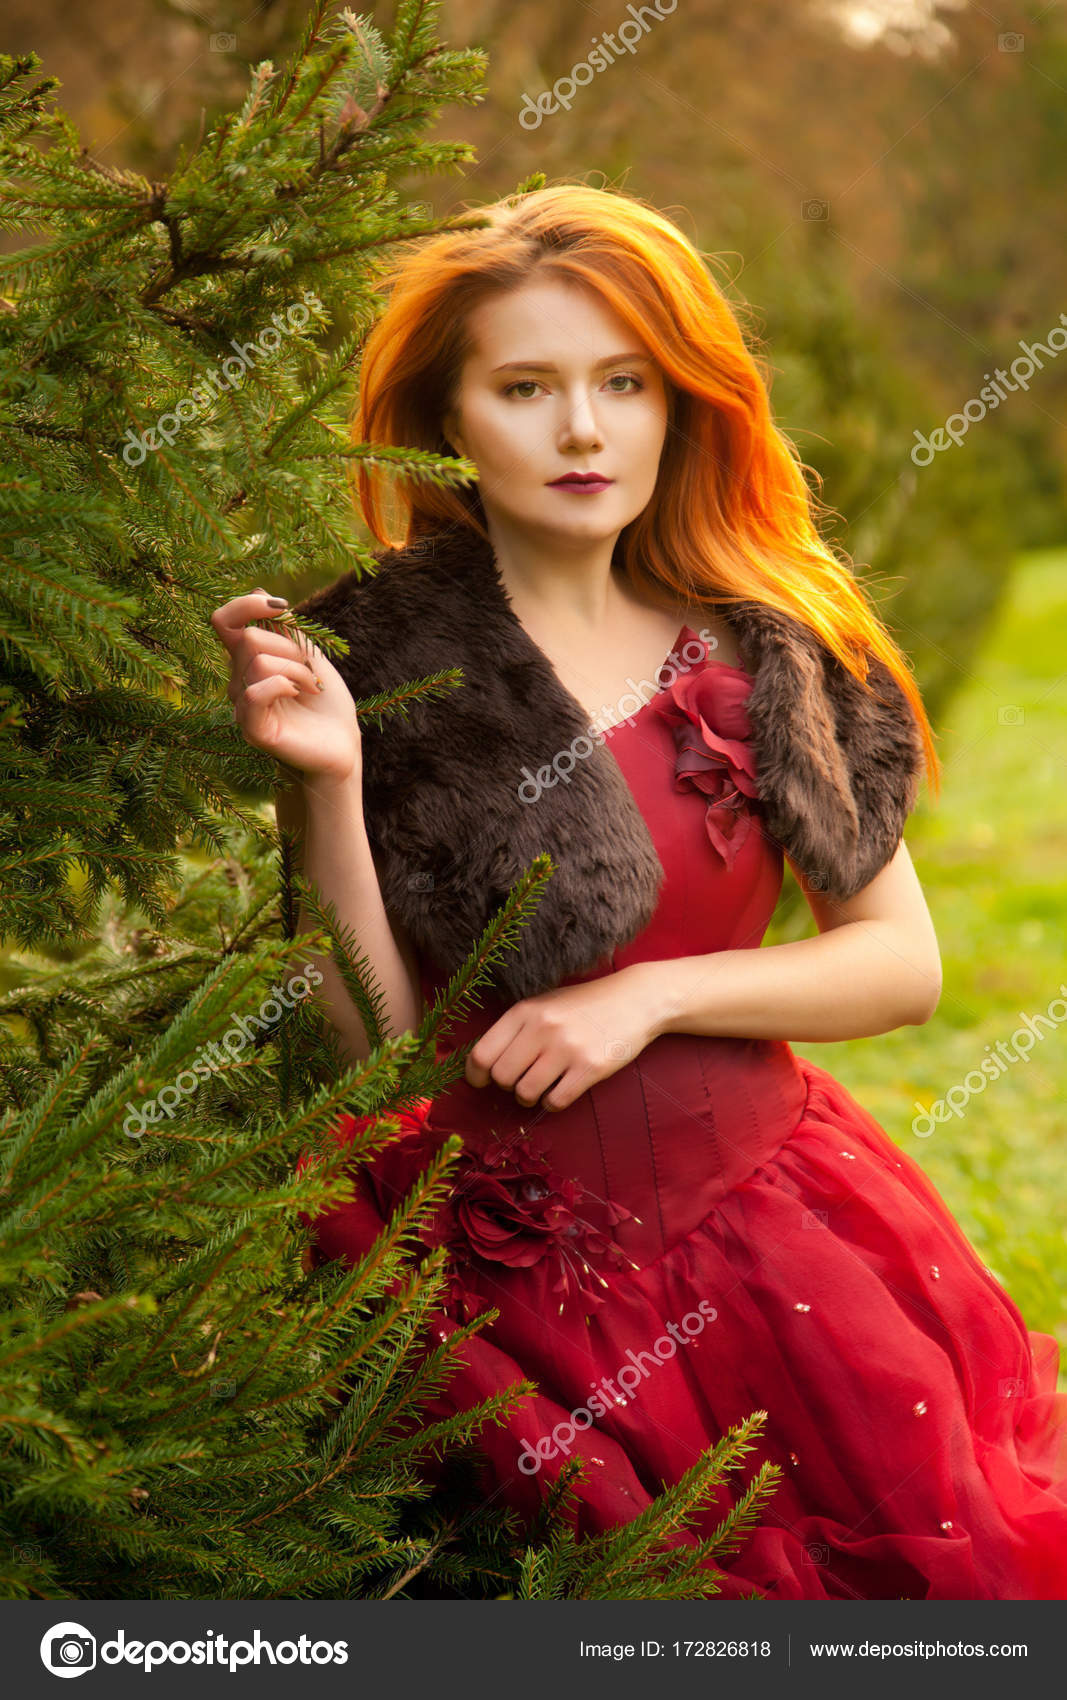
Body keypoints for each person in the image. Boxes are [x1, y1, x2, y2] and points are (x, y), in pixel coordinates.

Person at [208, 183, 1067, 1600]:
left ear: (683, 405)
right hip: (485, 1269)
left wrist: (656, 996)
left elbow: (899, 965)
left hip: (768, 1233)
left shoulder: (774, 656)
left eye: (625, 383)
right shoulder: (382, 661)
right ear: (450, 422)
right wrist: (324, 784)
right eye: (527, 387)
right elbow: (370, 1051)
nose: (585, 430)